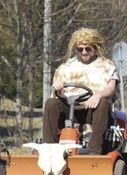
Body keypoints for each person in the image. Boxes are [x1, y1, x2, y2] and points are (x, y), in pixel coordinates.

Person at [42, 27, 119, 155]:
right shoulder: (66, 67)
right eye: (80, 49)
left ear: (95, 48)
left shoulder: (107, 66)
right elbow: (57, 95)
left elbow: (111, 88)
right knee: (51, 103)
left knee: (104, 103)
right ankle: (49, 149)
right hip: (70, 107)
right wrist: (59, 89)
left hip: (92, 109)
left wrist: (98, 95)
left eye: (88, 48)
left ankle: (94, 151)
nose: (84, 52)